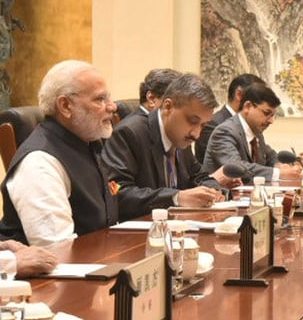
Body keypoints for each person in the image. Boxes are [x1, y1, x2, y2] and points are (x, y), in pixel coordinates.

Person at [0, 60, 119, 246]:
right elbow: (58, 250)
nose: (112, 107)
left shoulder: (89, 144)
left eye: (109, 98)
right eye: (100, 99)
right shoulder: (39, 162)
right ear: (65, 106)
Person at [101, 73, 243, 221]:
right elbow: (117, 193)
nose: (196, 134)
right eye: (192, 121)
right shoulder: (130, 133)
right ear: (168, 106)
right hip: (141, 235)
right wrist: (176, 197)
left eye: (203, 125)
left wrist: (215, 191)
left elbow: (198, 176)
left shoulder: (182, 136)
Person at [201, 83, 302, 183]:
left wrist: (282, 165)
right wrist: (279, 173)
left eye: (273, 115)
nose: (271, 121)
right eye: (267, 113)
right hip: (220, 196)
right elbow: (238, 167)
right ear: (247, 107)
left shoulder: (256, 132)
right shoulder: (225, 132)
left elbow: (270, 156)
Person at [194, 73, 264, 164]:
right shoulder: (213, 125)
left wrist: (278, 165)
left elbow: (267, 153)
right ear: (239, 94)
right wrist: (275, 173)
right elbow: (234, 167)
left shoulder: (252, 124)